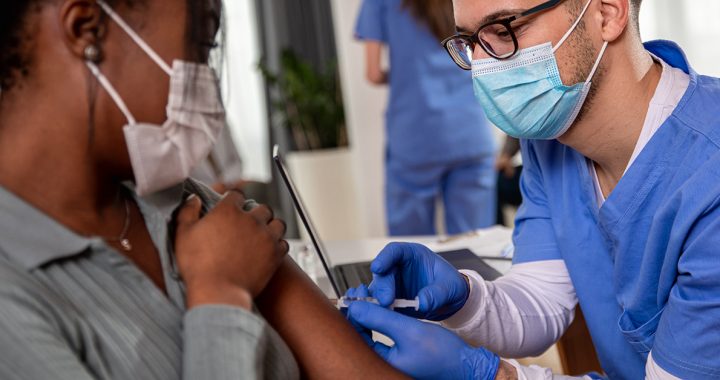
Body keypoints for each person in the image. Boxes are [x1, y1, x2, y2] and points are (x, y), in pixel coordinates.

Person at [0, 1, 407, 379]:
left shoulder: (183, 202)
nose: (206, 83)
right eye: (199, 45)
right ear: (86, 29)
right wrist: (221, 292)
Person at [345, 0, 720, 378]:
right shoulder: (550, 140)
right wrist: (464, 298)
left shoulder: (710, 180)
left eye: (505, 28)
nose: (482, 63)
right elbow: (541, 298)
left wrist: (492, 374)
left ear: (607, 13)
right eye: (470, 40)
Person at [355, 0, 497, 236]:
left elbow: (373, 73)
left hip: (415, 136)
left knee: (412, 250)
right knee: (476, 245)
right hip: (470, 131)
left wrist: (404, 75)